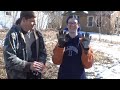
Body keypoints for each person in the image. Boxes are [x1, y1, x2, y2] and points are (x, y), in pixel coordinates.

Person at [3, 11, 47, 79]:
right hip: (18, 76)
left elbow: (43, 52)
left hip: (35, 76)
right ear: (23, 20)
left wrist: (40, 63)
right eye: (32, 21)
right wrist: (28, 65)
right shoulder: (12, 35)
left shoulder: (38, 34)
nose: (35, 23)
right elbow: (9, 58)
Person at [52, 15, 94, 79]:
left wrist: (86, 50)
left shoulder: (83, 41)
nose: (72, 25)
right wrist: (60, 46)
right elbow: (56, 61)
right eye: (70, 23)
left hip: (79, 76)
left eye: (74, 23)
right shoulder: (62, 39)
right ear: (67, 25)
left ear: (78, 25)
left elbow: (88, 65)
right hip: (63, 76)